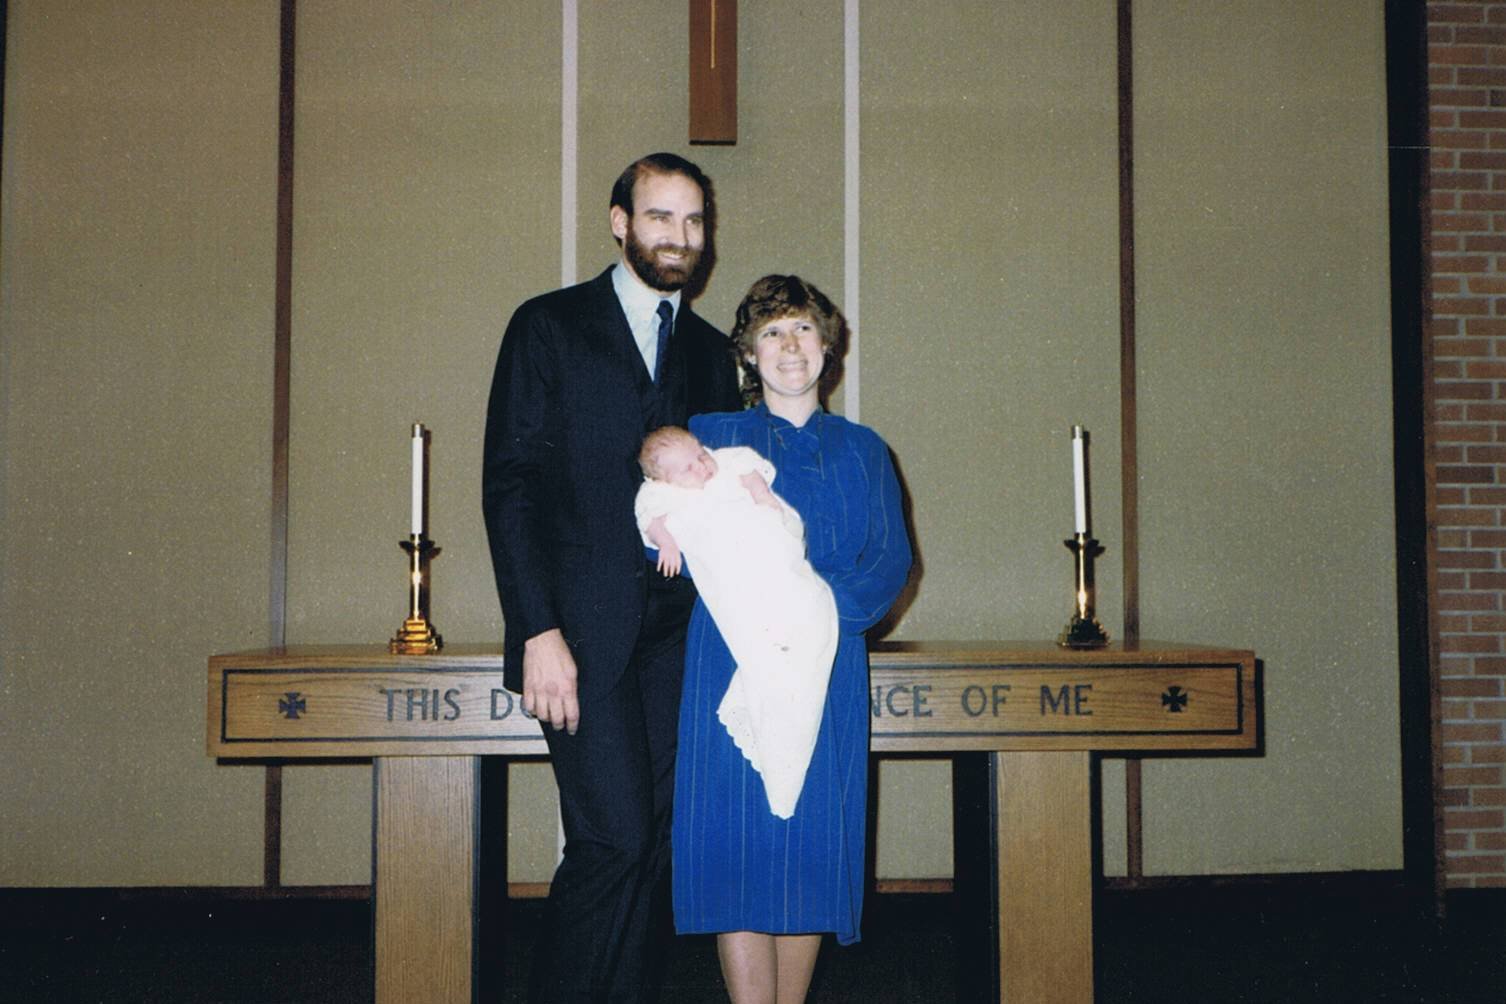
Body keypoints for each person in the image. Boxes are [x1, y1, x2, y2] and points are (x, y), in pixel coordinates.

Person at [482, 152, 740, 1002]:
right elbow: (510, 484)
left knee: (655, 843)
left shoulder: (710, 354)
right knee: (613, 840)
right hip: (580, 637)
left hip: (679, 641)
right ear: (618, 221)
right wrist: (536, 632)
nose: (681, 236)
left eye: (694, 220)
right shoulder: (548, 326)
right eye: (661, 216)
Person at [671, 275, 912, 1003]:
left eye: (803, 329)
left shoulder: (866, 450)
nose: (789, 345)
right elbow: (660, 509)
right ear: (748, 353)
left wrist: (814, 613)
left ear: (827, 347)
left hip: (826, 657)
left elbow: (891, 561)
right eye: (772, 332)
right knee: (741, 845)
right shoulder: (711, 435)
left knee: (809, 842)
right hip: (733, 656)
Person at [634, 426, 839, 819]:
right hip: (729, 569)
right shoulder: (660, 494)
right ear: (662, 479)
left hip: (766, 544)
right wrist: (669, 543)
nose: (701, 467)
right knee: (756, 642)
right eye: (687, 469)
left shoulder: (725, 462)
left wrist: (760, 494)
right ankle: (779, 758)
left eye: (700, 455)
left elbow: (749, 473)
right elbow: (654, 522)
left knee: (798, 597)